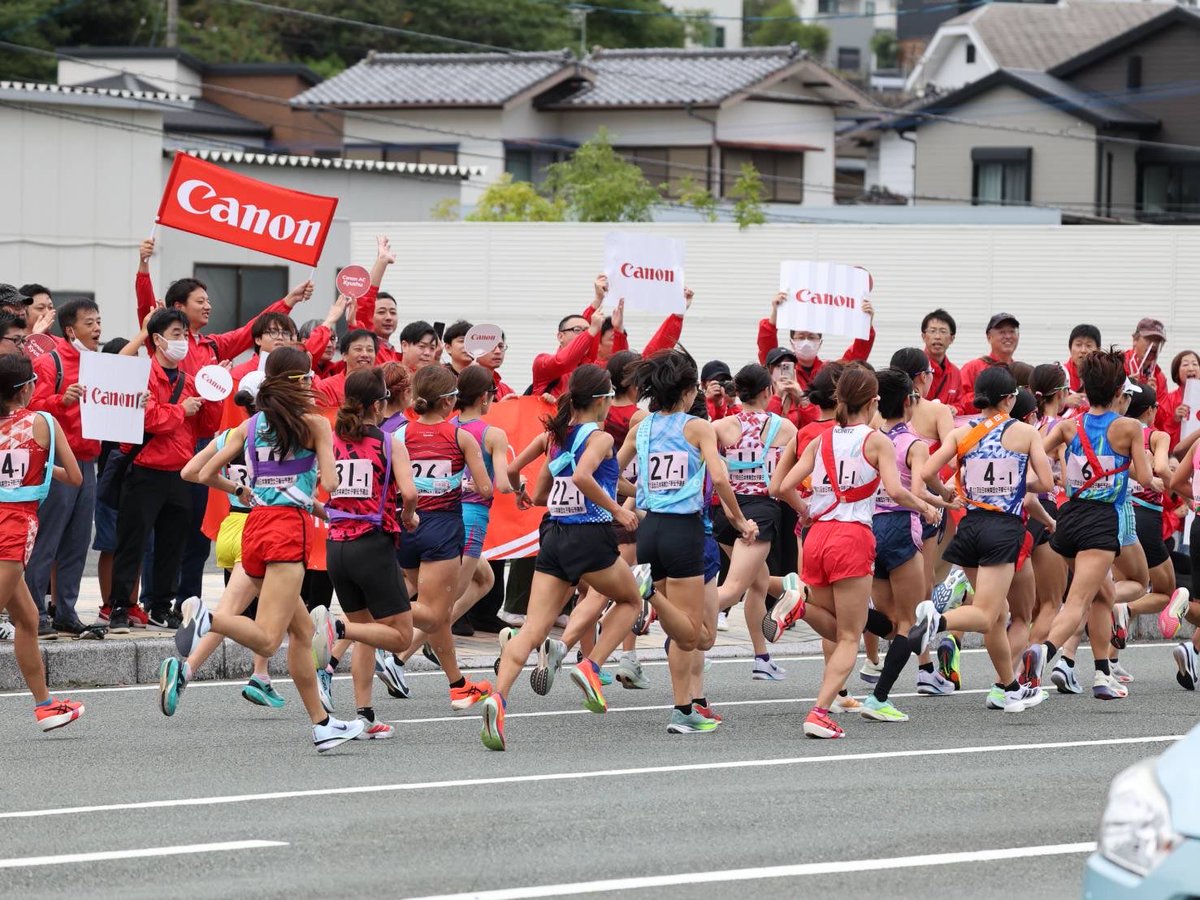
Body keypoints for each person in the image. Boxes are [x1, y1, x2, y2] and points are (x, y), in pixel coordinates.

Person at [180, 345, 366, 751]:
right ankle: (206, 618)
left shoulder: (251, 425)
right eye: (310, 375)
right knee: (267, 639)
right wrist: (322, 479)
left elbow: (203, 472)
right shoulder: (315, 424)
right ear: (301, 381)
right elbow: (331, 484)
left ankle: (323, 725)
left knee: (302, 632)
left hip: (255, 526)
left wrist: (240, 490)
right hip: (288, 531)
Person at [481, 364, 646, 750]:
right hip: (590, 536)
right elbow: (586, 477)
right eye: (610, 397)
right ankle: (591, 666)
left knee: (533, 630)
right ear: (602, 400)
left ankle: (498, 699)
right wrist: (618, 510)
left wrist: (522, 492)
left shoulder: (553, 437)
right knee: (631, 600)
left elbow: (517, 473)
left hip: (554, 535)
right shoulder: (601, 438)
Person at [775, 364, 937, 739]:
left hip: (817, 536)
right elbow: (895, 491)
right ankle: (818, 712)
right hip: (852, 536)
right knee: (850, 635)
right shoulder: (876, 441)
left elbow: (781, 486)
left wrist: (806, 511)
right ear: (873, 401)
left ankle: (799, 606)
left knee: (838, 623)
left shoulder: (820, 440)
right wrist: (925, 507)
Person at [619, 351, 758, 732]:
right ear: (686, 391)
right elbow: (721, 477)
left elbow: (609, 472)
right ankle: (649, 594)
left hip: (650, 530)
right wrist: (739, 520)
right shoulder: (697, 427)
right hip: (684, 532)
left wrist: (642, 493)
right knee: (699, 636)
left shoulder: (641, 428)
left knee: (680, 633)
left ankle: (683, 710)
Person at [911, 366, 1052, 714]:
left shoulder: (962, 433)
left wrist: (947, 494)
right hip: (1002, 528)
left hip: (970, 526)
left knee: (998, 614)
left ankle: (1009, 688)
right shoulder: (1025, 432)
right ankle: (937, 621)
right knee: (988, 615)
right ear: (1009, 399)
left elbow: (927, 472)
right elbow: (1046, 483)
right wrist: (1017, 482)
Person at [1023, 349, 1152, 701]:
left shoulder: (1069, 425)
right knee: (1078, 600)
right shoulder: (1128, 427)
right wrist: (1150, 468)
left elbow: (1035, 455)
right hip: (1100, 520)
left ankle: (1102, 673)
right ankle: (1042, 654)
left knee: (1103, 595)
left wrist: (1044, 481)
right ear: (1118, 392)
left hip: (1068, 517)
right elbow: (1144, 478)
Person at [162, 370, 281, 716]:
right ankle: (199, 664)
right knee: (242, 611)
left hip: (232, 525)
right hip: (260, 527)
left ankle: (259, 675)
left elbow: (189, 472)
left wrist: (234, 489)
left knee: (268, 608)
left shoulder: (230, 435)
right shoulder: (273, 436)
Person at [325, 368, 429, 739]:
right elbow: (410, 493)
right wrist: (409, 516)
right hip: (372, 544)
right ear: (378, 404)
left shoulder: (330, 439)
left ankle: (365, 716)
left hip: (336, 546)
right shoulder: (388, 442)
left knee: (368, 633)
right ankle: (336, 628)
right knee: (400, 636)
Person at [106, 309, 222, 633]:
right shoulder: (142, 376)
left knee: (173, 544)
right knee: (132, 542)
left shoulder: (189, 380)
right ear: (157, 339)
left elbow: (206, 426)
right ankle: (120, 606)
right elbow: (148, 419)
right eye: (176, 334)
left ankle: (160, 606)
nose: (182, 340)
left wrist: (214, 396)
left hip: (179, 472)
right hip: (144, 470)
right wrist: (180, 410)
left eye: (184, 334)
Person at [394, 365, 494, 709]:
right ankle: (351, 624)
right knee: (436, 613)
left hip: (407, 526)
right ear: (449, 401)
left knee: (433, 612)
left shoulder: (399, 435)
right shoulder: (461, 437)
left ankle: (458, 685)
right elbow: (485, 488)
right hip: (443, 528)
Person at [860, 367, 956, 722]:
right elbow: (916, 490)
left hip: (871, 527)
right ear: (908, 401)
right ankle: (879, 698)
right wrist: (938, 503)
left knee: (888, 620)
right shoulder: (914, 444)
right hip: (902, 526)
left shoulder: (870, 440)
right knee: (912, 621)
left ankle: (840, 612)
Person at [0, 353, 86, 732]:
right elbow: (76, 477)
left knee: (28, 618)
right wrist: (43, 467)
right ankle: (44, 705)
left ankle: (45, 705)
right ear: (26, 388)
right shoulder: (44, 422)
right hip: (15, 524)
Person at [712, 364, 798, 679]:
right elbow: (792, 476)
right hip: (760, 513)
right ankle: (670, 619)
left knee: (758, 584)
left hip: (727, 512)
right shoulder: (785, 428)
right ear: (767, 391)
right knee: (732, 589)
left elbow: (714, 472)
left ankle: (762, 658)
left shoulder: (719, 427)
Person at [25, 298, 102, 636]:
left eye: (99, 322)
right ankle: (34, 612)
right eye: (90, 323)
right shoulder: (50, 362)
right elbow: (31, 407)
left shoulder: (101, 365)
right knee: (48, 538)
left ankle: (66, 611)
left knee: (77, 541)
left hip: (88, 461)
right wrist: (61, 399)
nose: (97, 328)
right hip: (57, 460)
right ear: (71, 330)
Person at [756, 290, 876, 380]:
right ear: (792, 341)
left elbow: (856, 357)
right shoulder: (783, 369)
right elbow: (767, 351)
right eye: (801, 337)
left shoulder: (830, 372)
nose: (806, 341)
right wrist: (775, 313)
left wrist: (866, 324)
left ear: (820, 342)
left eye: (811, 337)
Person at [529, 275, 607, 397]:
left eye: (586, 330)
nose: (584, 335)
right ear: (560, 336)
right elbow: (564, 361)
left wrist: (598, 299)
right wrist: (591, 330)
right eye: (577, 330)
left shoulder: (588, 366)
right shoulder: (542, 363)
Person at [956, 313, 1020, 415]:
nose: (1008, 336)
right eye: (1002, 332)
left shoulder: (1020, 370)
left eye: (1012, 331)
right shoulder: (973, 368)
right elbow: (959, 401)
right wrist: (992, 398)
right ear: (989, 337)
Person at [314, 328, 377, 407]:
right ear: (344, 356)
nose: (365, 354)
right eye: (358, 349)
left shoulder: (382, 387)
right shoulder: (326, 388)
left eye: (370, 350)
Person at [1159, 349, 1199, 451]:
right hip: (1177, 455)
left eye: (1195, 364)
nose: (1191, 368)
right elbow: (1161, 436)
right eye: (1185, 365)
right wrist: (1174, 420)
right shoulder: (1168, 400)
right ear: (1176, 372)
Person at [1125, 317, 1168, 412]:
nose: (1154, 345)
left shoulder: (1159, 378)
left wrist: (1153, 399)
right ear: (1135, 340)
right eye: (1149, 339)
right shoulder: (1119, 365)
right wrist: (1126, 389)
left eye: (1158, 341)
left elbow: (1163, 418)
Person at [920, 309, 961, 407]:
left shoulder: (955, 373)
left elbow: (960, 403)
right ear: (923, 336)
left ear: (952, 338)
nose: (937, 336)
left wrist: (955, 409)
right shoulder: (914, 365)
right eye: (932, 331)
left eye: (943, 331)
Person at [1064, 324, 1102, 408]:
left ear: (1098, 350)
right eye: (1078, 345)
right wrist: (1064, 402)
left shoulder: (1105, 374)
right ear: (1070, 348)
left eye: (1089, 345)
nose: (1083, 350)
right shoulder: (1060, 374)